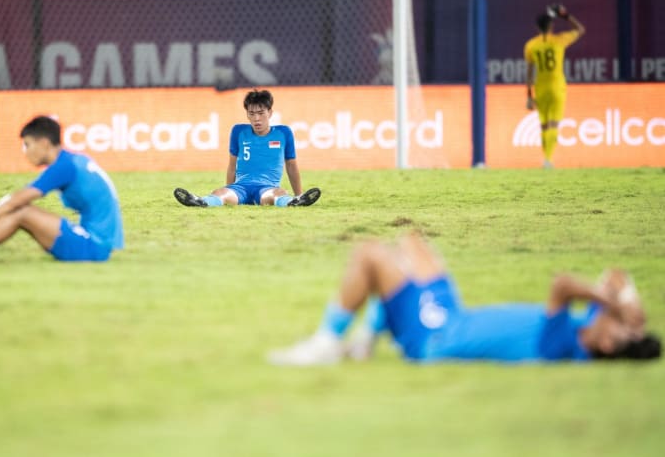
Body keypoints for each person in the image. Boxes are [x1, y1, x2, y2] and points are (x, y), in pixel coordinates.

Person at [269, 232, 660, 366]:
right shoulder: (589, 328)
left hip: (434, 339)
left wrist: (616, 306)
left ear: (607, 342)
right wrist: (627, 305)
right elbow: (615, 278)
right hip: (453, 316)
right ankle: (366, 342)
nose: (613, 318)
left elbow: (562, 286)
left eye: (618, 327)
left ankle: (325, 343)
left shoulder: (565, 345)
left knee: (371, 255)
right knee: (412, 244)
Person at [0, 116, 124, 264]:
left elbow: (21, 197)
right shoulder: (71, 161)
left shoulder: (64, 166)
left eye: (27, 145)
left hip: (93, 248)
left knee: (22, 211)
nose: (25, 152)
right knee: (20, 211)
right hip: (95, 243)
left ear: (44, 143)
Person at [173, 89, 321, 207]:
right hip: (240, 189)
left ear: (270, 113)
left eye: (261, 113)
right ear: (247, 115)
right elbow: (232, 166)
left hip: (266, 189)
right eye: (252, 114)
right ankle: (201, 202)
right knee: (219, 193)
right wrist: (229, 188)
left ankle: (294, 202)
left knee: (278, 194)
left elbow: (292, 166)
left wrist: (299, 195)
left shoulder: (284, 133)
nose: (256, 118)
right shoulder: (238, 131)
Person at [524, 4, 585, 169]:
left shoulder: (531, 45)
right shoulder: (559, 40)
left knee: (544, 125)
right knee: (554, 124)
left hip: (540, 87)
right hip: (557, 86)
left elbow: (529, 73)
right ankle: (548, 160)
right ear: (551, 26)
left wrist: (529, 96)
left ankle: (546, 158)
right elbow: (580, 29)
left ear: (537, 27)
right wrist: (565, 16)